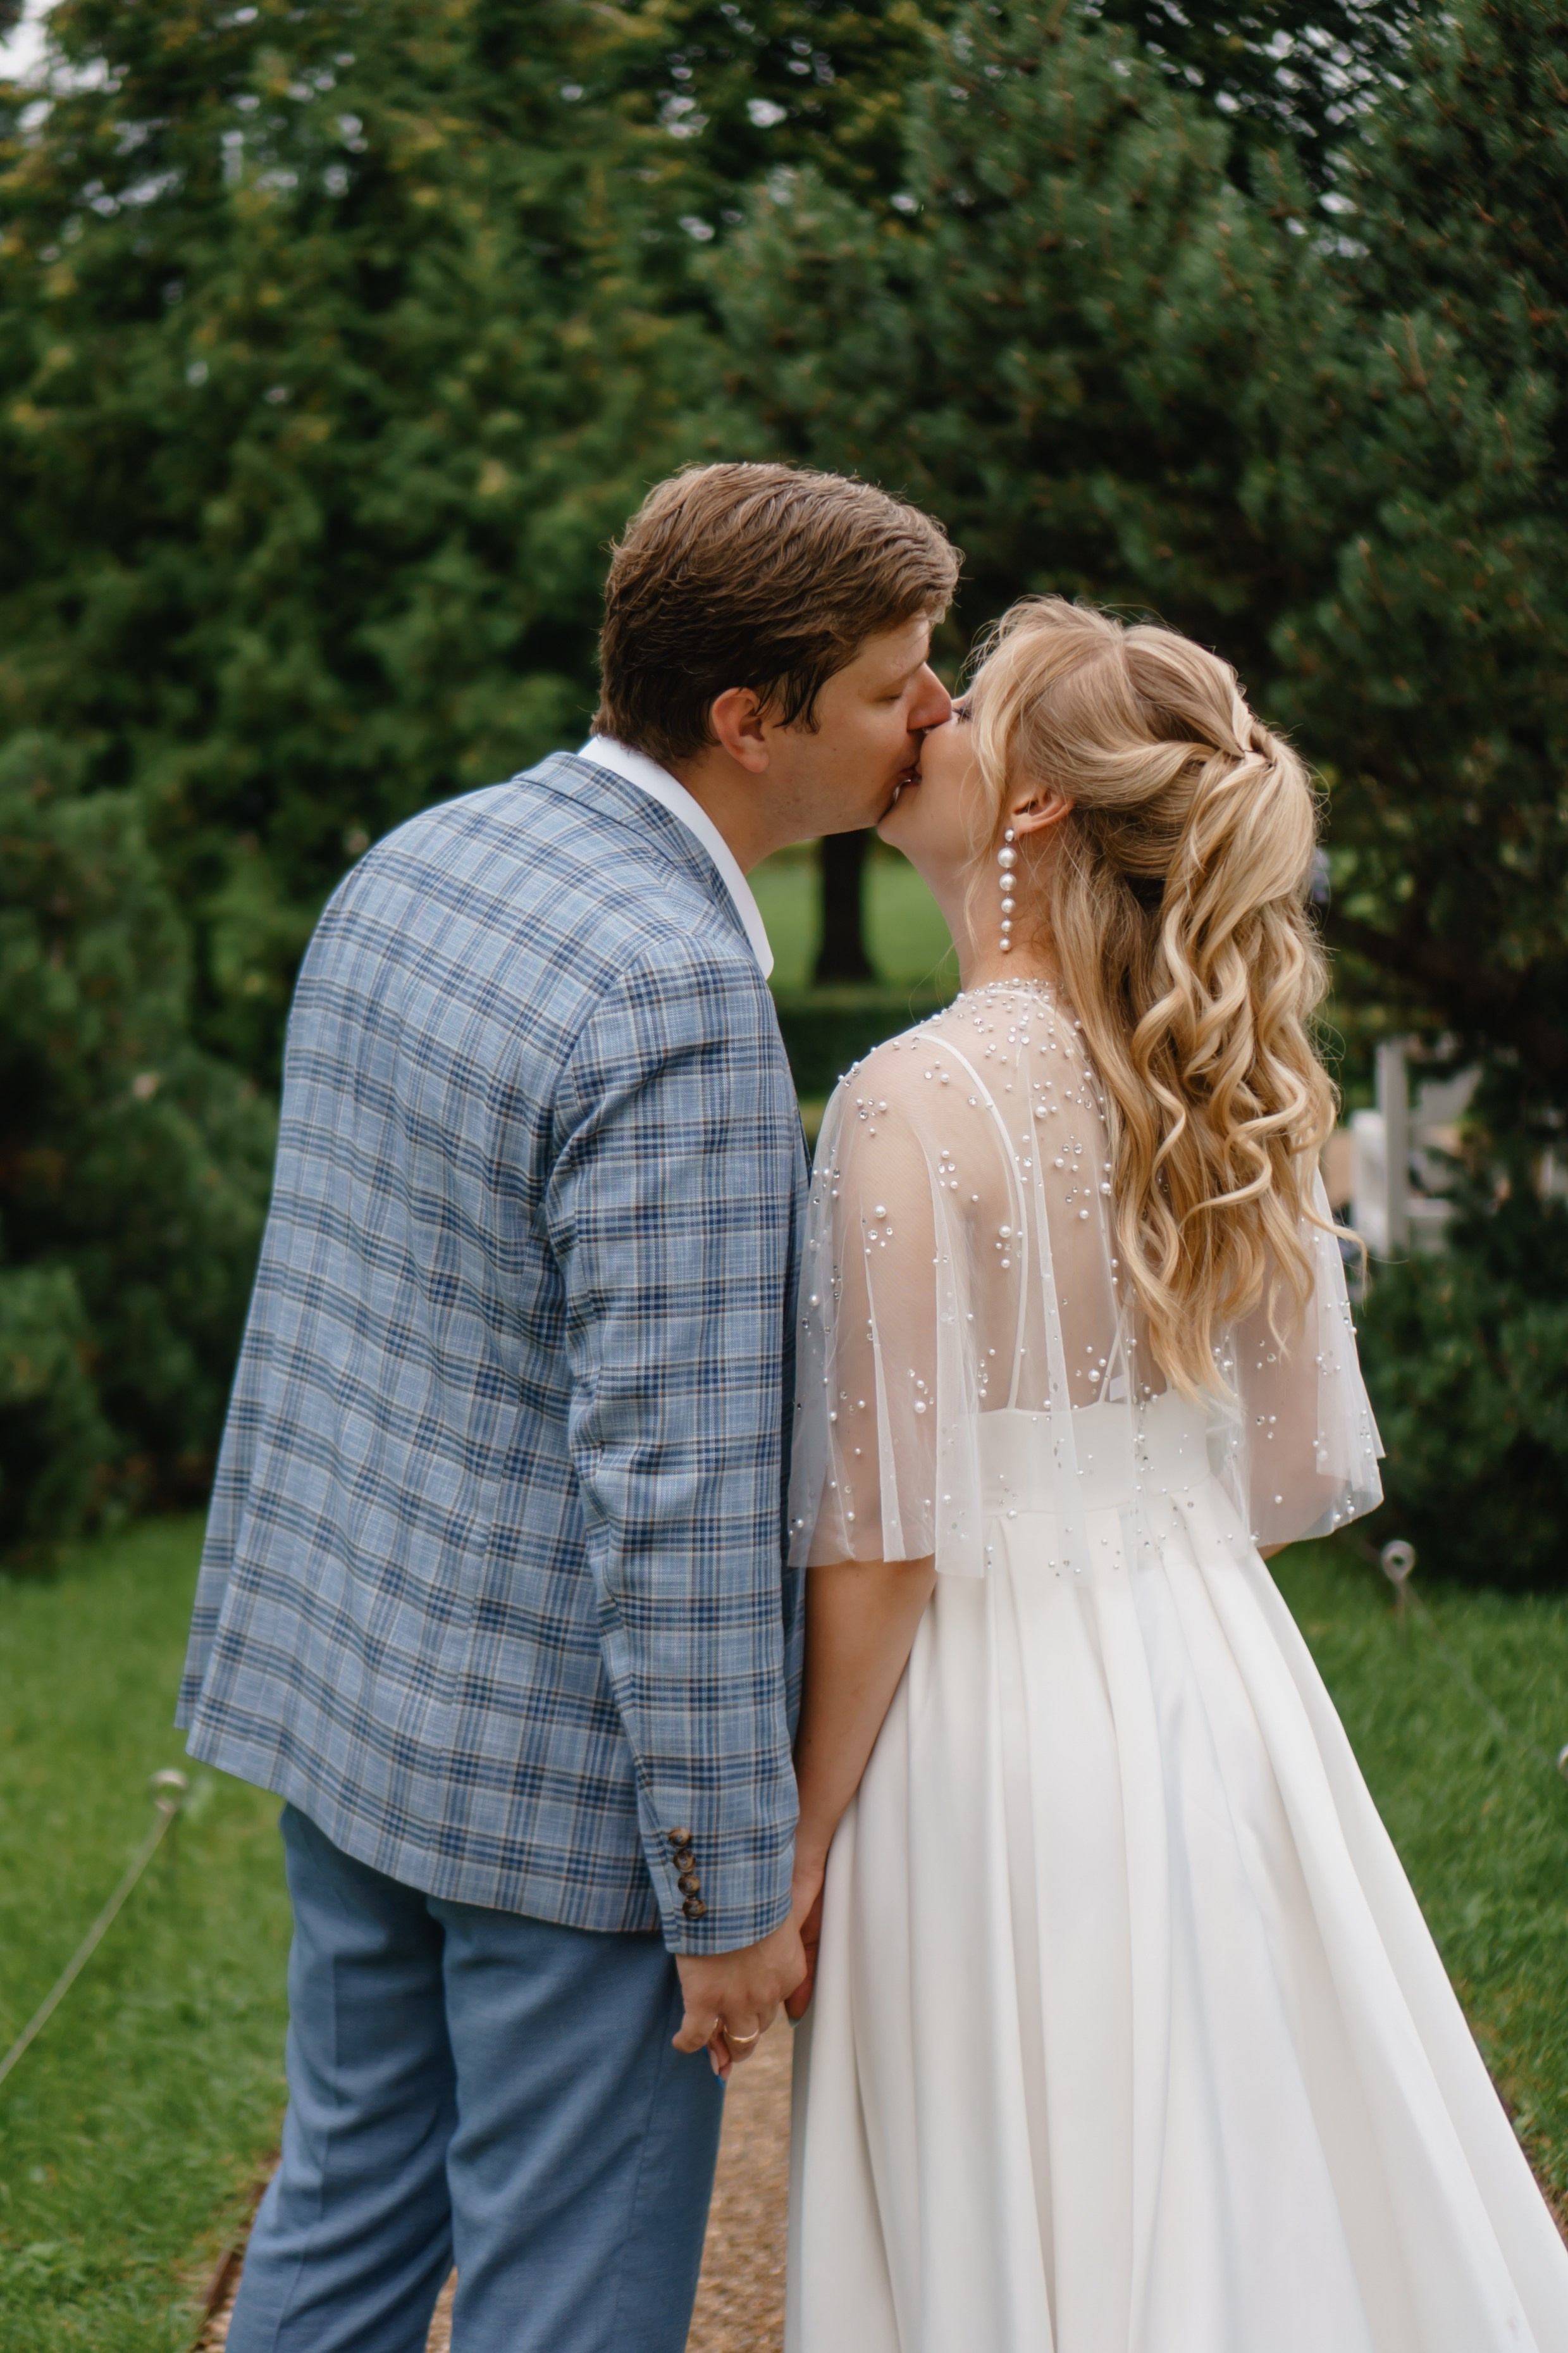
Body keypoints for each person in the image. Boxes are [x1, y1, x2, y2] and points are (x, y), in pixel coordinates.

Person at [175, 461, 958, 2353]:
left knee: (345, 2219)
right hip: (563, 1814)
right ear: (748, 720)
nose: (938, 715)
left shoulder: (427, 855)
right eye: (895, 685)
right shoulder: (676, 992)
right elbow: (679, 1495)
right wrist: (720, 1882)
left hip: (349, 1715)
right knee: (569, 2305)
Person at [782, 597, 1568, 2352]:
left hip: (988, 1729)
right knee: (1251, 2165)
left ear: (1043, 802)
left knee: (1027, 2182)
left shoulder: (908, 1103)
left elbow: (888, 1542)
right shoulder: (1237, 1087)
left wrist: (801, 1838)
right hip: (1220, 1684)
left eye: (969, 703)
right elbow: (1287, 1474)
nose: (928, 716)